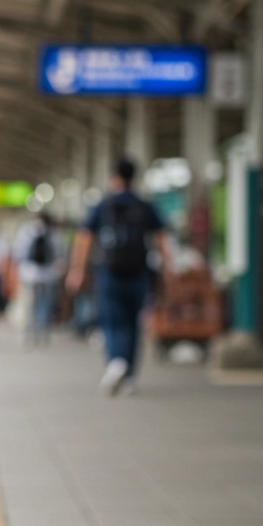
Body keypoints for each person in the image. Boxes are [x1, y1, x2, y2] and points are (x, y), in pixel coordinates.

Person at [66, 157, 172, 395]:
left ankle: (116, 361)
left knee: (112, 320)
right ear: (134, 178)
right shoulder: (145, 206)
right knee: (133, 323)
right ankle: (130, 375)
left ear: (113, 177)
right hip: (138, 273)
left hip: (109, 273)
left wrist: (78, 270)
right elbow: (161, 241)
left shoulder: (102, 205)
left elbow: (84, 239)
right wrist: (166, 270)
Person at [13, 212, 65, 343]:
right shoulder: (54, 233)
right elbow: (60, 253)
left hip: (29, 274)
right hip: (48, 274)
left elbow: (18, 253)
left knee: (30, 303)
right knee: (44, 303)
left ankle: (30, 330)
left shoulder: (26, 231)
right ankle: (43, 329)